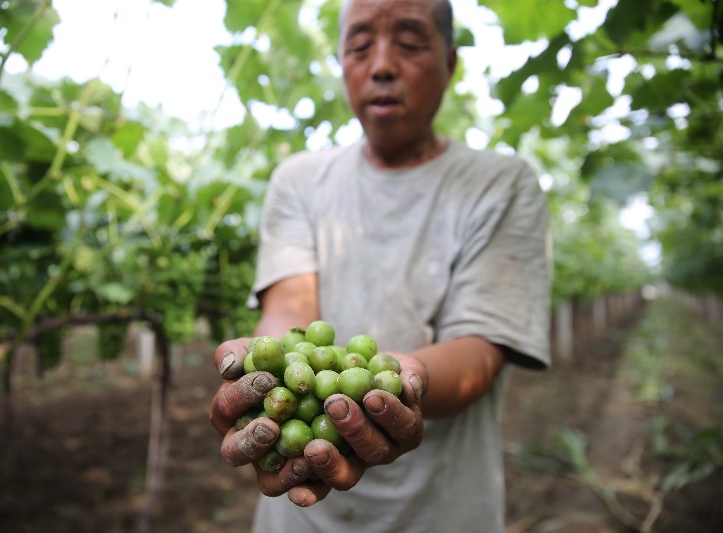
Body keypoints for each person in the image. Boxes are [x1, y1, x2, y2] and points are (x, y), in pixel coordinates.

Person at [209, 0, 552, 531]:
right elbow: (287, 316)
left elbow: (481, 351)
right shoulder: (298, 180)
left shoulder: (501, 185)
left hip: (442, 511)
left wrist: (403, 380)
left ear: (451, 62)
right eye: (360, 45)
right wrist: (258, 364)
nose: (383, 65)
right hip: (299, 516)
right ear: (342, 61)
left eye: (411, 43)